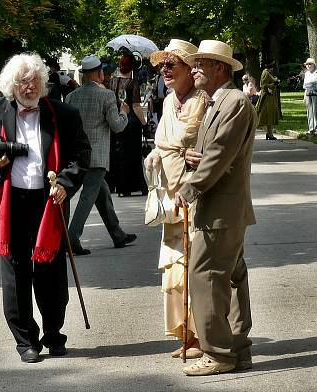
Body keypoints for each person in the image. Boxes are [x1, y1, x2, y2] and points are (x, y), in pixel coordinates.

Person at [0, 53, 91, 363]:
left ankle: (54, 334)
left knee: (51, 272)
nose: (29, 86)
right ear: (11, 85)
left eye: (35, 80)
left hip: (48, 202)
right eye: (22, 81)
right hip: (9, 203)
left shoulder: (63, 113)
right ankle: (26, 342)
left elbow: (80, 153)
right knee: (16, 274)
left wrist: (65, 182)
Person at [173, 40, 255, 376]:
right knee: (230, 277)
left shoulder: (232, 102)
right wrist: (193, 154)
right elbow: (213, 150)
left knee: (205, 275)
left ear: (219, 68)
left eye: (200, 64)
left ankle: (219, 353)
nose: (193, 70)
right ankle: (236, 348)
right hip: (222, 208)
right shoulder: (219, 101)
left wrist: (189, 187)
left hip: (222, 210)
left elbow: (221, 154)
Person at [143, 39, 207, 361]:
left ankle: (200, 334)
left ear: (189, 69)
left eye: (172, 65)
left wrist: (186, 153)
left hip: (193, 192)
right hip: (170, 195)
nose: (165, 70)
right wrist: (157, 153)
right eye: (162, 65)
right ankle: (184, 332)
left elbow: (198, 141)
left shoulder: (201, 100)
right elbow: (168, 141)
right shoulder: (169, 101)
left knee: (193, 263)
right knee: (173, 265)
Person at [64, 55, 136, 256]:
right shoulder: (106, 96)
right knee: (88, 197)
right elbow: (117, 126)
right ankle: (72, 236)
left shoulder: (71, 97)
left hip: (76, 156)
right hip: (97, 156)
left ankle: (117, 234)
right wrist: (124, 112)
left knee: (100, 194)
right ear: (100, 73)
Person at [110, 52, 148, 197]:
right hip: (132, 123)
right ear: (132, 67)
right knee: (134, 156)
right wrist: (144, 123)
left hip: (117, 121)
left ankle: (122, 187)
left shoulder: (112, 82)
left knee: (121, 155)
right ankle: (137, 185)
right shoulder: (132, 83)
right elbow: (136, 106)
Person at [255, 60, 281, 140]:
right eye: (272, 67)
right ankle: (269, 133)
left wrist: (275, 81)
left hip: (270, 97)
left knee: (270, 115)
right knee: (267, 115)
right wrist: (274, 84)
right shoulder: (265, 73)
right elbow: (263, 85)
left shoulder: (267, 73)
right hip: (266, 98)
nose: (272, 69)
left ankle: (269, 133)